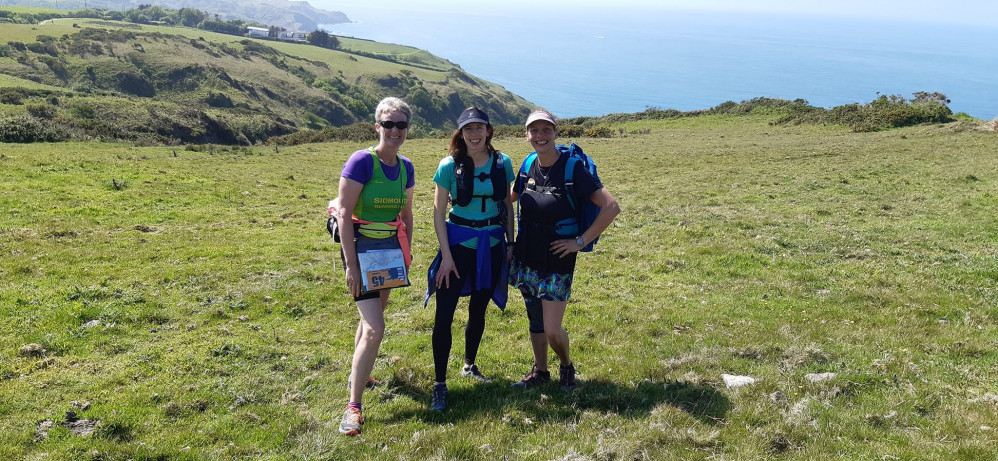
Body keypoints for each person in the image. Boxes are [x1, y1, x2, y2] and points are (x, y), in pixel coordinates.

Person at [508, 109, 620, 391]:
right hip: (527, 254)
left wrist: (579, 242)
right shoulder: (528, 163)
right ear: (527, 135)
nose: (540, 136)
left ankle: (567, 365)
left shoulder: (573, 169)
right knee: (535, 318)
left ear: (556, 134)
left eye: (546, 130)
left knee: (553, 329)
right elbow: (508, 197)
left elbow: (611, 207)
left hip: (558, 257)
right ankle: (540, 371)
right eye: (534, 130)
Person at [334, 97, 415, 436]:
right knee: (375, 327)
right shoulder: (361, 162)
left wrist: (407, 252)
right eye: (388, 124)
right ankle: (353, 407)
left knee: (372, 319)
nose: (394, 130)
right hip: (361, 247)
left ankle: (361, 374)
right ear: (377, 126)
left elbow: (407, 214)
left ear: (407, 129)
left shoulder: (407, 167)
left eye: (401, 124)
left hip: (389, 250)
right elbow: (343, 214)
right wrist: (351, 266)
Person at [425, 107, 515, 411]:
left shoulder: (503, 164)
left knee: (479, 309)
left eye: (479, 128)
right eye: (468, 129)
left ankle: (469, 365)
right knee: (444, 315)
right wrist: (446, 257)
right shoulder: (448, 166)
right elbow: (438, 213)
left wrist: (510, 243)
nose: (474, 134)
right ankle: (439, 384)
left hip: (491, 245)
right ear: (460, 133)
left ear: (489, 130)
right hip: (459, 245)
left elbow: (506, 206)